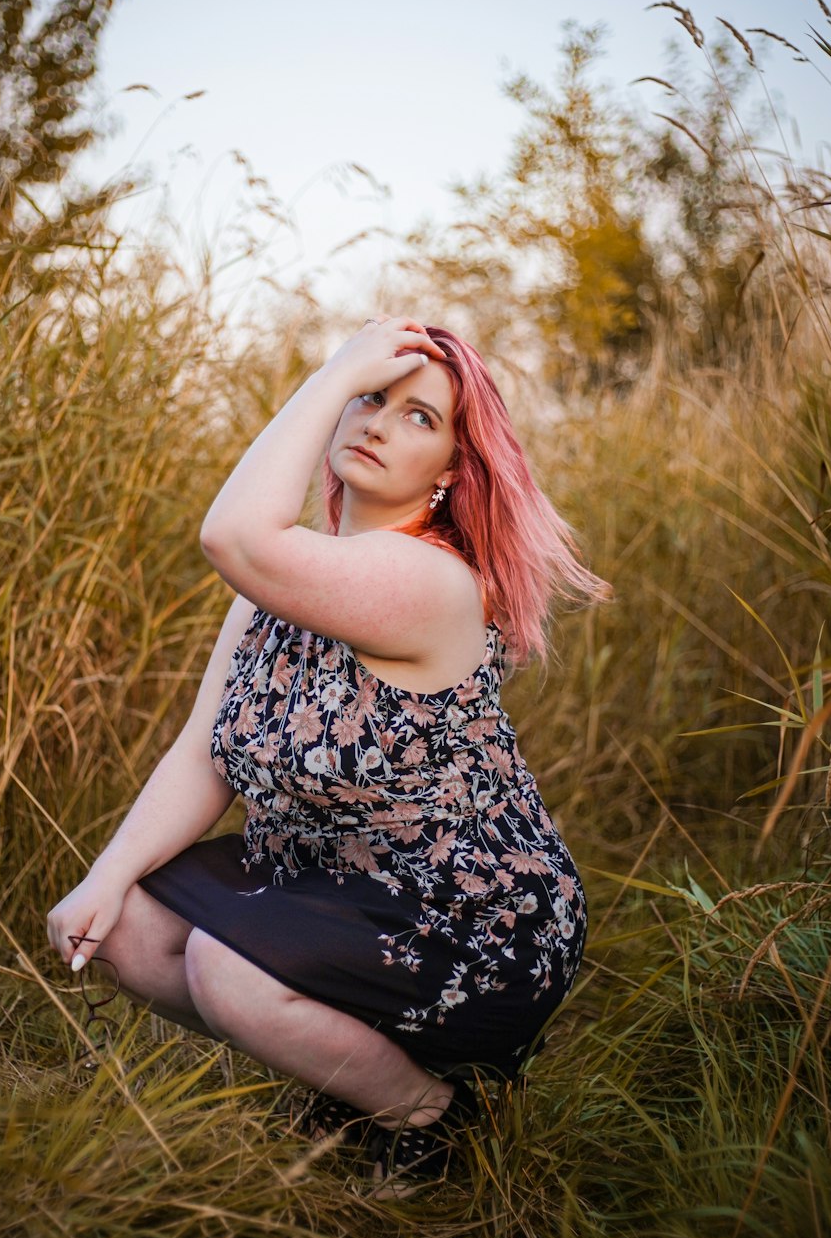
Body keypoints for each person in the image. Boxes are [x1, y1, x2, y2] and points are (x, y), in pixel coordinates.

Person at [46, 315, 609, 1186]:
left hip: (471, 914)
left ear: (454, 470)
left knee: (225, 968)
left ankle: (433, 1118)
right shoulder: (281, 587)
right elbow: (206, 753)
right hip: (329, 883)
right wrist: (107, 874)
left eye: (419, 417)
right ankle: (348, 1071)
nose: (377, 422)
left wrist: (337, 370)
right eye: (369, 399)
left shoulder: (427, 582)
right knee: (121, 929)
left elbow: (233, 535)